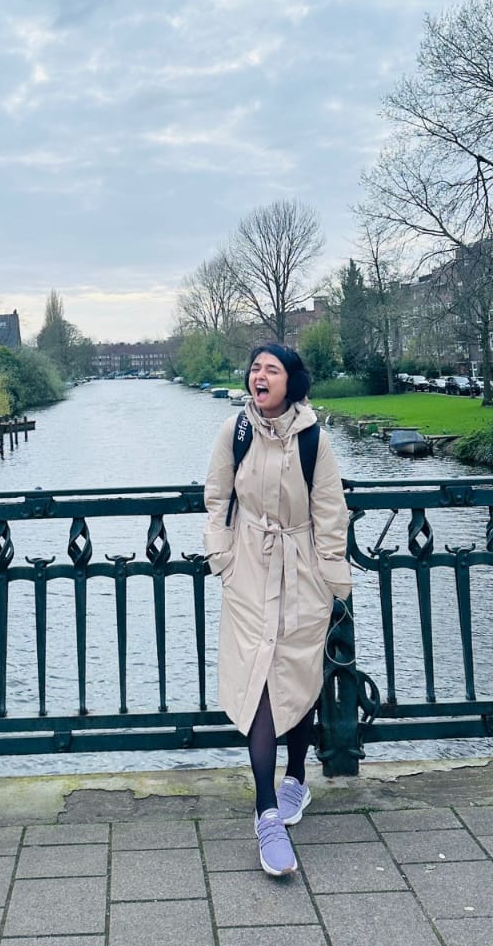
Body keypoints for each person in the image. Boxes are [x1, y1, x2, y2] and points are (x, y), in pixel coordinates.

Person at [204, 343, 351, 877]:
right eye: (255, 369)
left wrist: (332, 582)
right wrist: (222, 557)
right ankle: (266, 811)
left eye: (272, 369)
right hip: (249, 571)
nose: (259, 376)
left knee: (297, 675)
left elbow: (330, 514)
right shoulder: (235, 431)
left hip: (302, 572)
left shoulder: (314, 439)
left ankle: (296, 779)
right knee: (261, 680)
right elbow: (217, 498)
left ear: (291, 382)